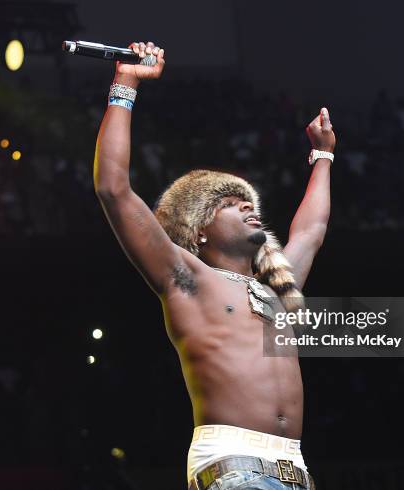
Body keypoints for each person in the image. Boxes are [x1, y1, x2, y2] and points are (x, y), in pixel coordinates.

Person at [94, 41, 335, 490]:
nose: (247, 207)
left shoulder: (276, 291)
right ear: (200, 228)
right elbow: (114, 190)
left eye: (248, 201)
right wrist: (125, 82)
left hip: (296, 472)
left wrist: (323, 155)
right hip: (233, 466)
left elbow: (311, 231)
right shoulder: (187, 278)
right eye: (229, 203)